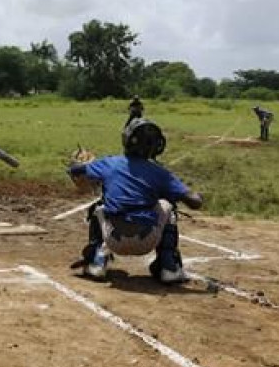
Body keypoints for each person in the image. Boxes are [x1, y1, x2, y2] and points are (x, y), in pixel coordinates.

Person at [68, 118, 203, 284]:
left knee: (99, 208)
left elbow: (74, 170)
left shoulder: (109, 163)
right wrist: (198, 195)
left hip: (114, 239)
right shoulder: (160, 172)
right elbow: (195, 202)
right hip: (147, 240)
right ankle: (169, 267)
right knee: (167, 206)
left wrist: (84, 164)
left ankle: (97, 261)